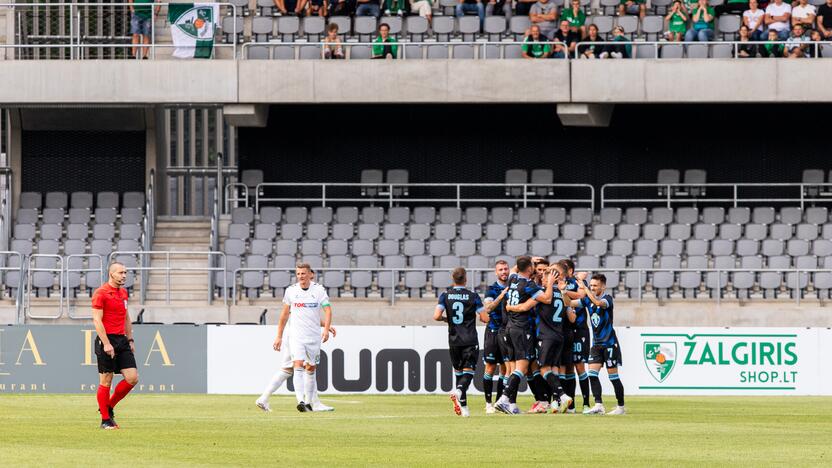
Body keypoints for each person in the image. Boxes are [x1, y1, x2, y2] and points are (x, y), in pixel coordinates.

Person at [256, 270, 336, 412]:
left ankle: (264, 398)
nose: (301, 277)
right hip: (294, 334)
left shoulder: (313, 291)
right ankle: (311, 403)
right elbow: (288, 315)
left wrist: (325, 326)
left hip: (295, 332)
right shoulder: (293, 292)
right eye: (298, 274)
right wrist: (279, 336)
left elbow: (308, 316)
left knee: (288, 369)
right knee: (303, 367)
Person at [564, 274, 626, 415]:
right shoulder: (587, 300)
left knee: (613, 377)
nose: (592, 288)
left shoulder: (607, 299)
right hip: (596, 344)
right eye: (591, 285)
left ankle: (620, 407)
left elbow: (598, 303)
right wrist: (563, 292)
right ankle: (598, 404)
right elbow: (568, 303)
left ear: (603, 286)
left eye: (595, 286)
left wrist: (585, 289)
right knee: (592, 374)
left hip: (610, 343)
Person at [494, 256, 544, 415]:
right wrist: (549, 284)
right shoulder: (528, 285)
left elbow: (516, 269)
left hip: (509, 327)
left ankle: (511, 404)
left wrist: (528, 259)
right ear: (530, 268)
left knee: (514, 367)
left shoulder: (512, 279)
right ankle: (504, 399)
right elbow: (546, 298)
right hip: (522, 329)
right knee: (521, 368)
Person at [92, 262, 138, 430]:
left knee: (132, 378)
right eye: (120, 272)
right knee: (106, 380)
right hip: (107, 339)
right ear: (111, 274)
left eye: (125, 272)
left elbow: (126, 317)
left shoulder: (124, 293)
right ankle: (105, 420)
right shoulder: (101, 293)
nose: (124, 275)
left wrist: (130, 339)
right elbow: (97, 320)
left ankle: (108, 406)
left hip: (122, 340)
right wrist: (106, 343)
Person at [434, 267, 485, 418]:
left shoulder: (445, 296)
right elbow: (485, 318)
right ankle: (459, 391)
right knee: (468, 373)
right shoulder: (473, 296)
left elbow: (436, 316)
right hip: (469, 339)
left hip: (454, 339)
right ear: (466, 279)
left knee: (459, 373)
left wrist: (446, 319)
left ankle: (464, 409)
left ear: (453, 279)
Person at [557, 259, 590, 412]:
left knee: (579, 367)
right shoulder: (556, 284)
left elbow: (582, 296)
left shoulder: (578, 282)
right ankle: (570, 405)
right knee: (566, 367)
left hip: (579, 329)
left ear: (569, 271)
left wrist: (564, 291)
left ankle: (586, 403)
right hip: (563, 330)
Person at [480, 260, 510, 414]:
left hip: (507, 332)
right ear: (496, 272)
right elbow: (488, 308)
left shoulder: (514, 287)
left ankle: (500, 402)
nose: (504, 272)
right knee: (491, 367)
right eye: (501, 270)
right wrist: (502, 296)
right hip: (493, 330)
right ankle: (488, 403)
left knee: (505, 368)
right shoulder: (491, 289)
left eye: (506, 269)